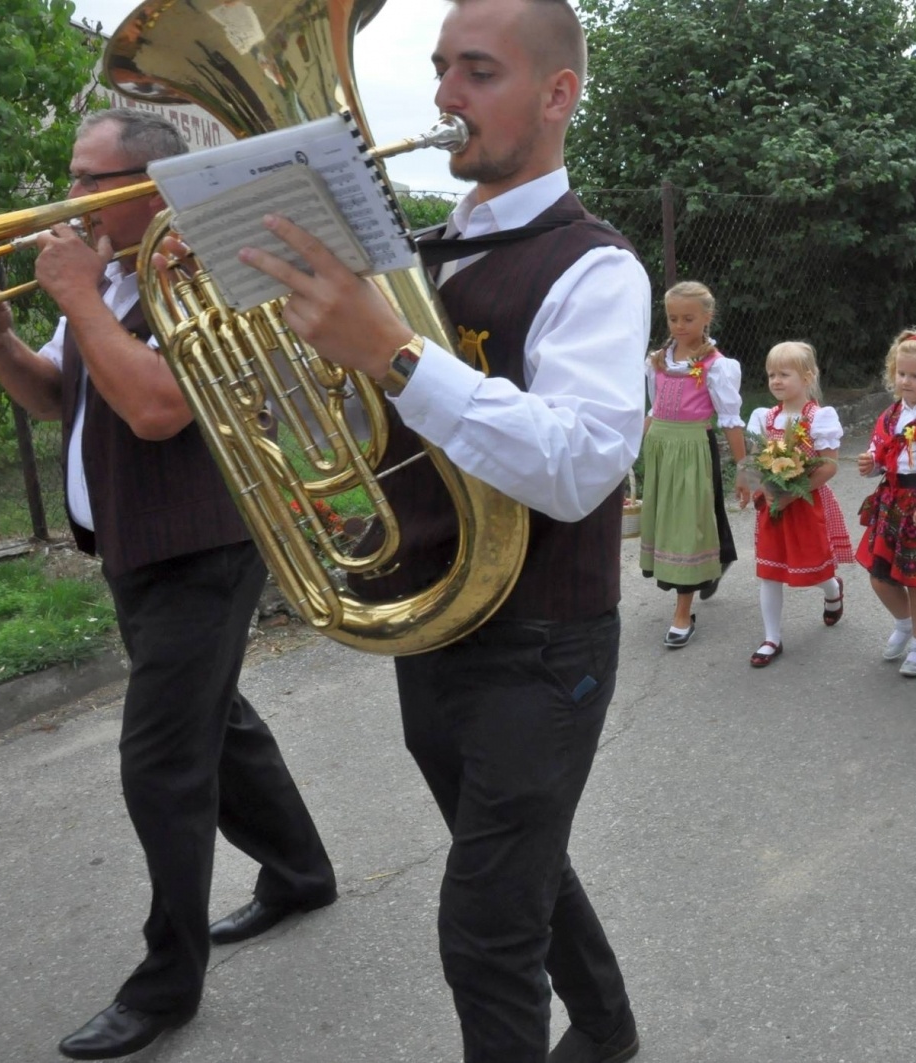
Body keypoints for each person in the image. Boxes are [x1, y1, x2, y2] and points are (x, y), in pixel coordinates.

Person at [222, 1, 652, 1059]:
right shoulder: (415, 254)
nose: (444, 97)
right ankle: (607, 1026)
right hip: (433, 620)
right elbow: (355, 420)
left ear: (558, 96)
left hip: (543, 642)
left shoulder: (597, 267)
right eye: (437, 68)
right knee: (517, 856)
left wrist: (396, 357)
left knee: (484, 925)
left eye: (478, 71)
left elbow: (578, 466)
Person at [0, 110, 337, 1061]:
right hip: (136, 546)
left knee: (161, 760)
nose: (65, 197)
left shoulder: (200, 276)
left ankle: (167, 980)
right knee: (220, 722)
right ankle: (299, 872)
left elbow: (160, 409)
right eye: (71, 176)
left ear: (149, 188)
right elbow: (64, 396)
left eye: (87, 180)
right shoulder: (106, 277)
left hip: (202, 551)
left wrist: (79, 296)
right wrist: (1, 340)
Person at [639, 280, 744, 647]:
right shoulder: (656, 362)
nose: (679, 325)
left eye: (687, 318)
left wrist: (744, 469)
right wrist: (634, 448)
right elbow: (654, 409)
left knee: (688, 525)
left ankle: (683, 612)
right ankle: (718, 557)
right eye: (672, 318)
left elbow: (730, 419)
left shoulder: (717, 367)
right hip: (660, 449)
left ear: (706, 318)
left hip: (693, 451)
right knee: (679, 522)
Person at [737, 341, 854, 667]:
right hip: (772, 505)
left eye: (784, 374)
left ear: (807, 376)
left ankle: (831, 590)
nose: (775, 381)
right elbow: (755, 460)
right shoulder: (764, 417)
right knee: (769, 572)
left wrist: (795, 491)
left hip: (805, 503)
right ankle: (771, 637)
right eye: (771, 374)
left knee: (813, 565)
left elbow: (829, 464)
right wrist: (757, 486)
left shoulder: (818, 417)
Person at [854, 329, 916, 679]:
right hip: (892, 502)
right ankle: (904, 623)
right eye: (901, 373)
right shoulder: (891, 415)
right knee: (879, 577)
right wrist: (871, 464)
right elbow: (882, 453)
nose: (906, 381)